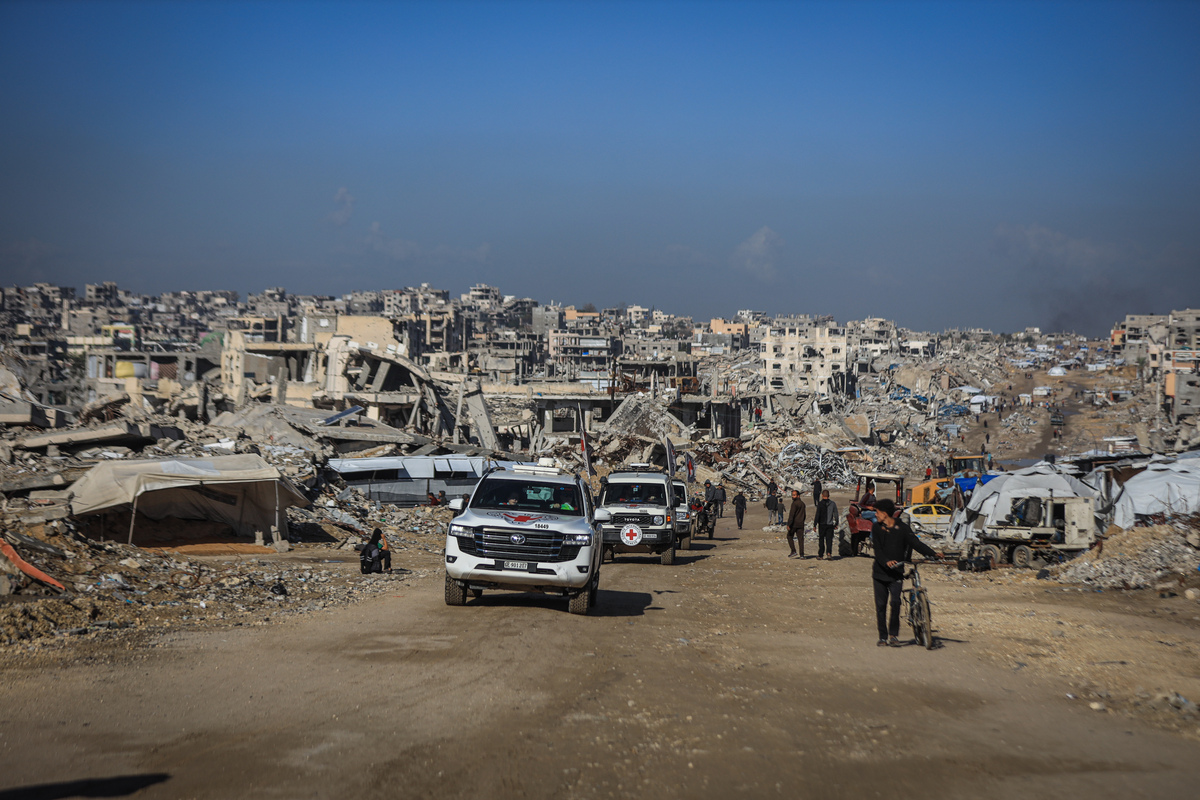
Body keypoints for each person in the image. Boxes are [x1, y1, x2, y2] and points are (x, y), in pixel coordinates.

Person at [870, 499, 941, 646]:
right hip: (879, 573)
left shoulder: (902, 528)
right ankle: (883, 637)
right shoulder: (876, 528)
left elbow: (916, 543)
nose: (875, 515)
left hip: (896, 573)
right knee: (881, 606)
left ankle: (893, 635)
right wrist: (886, 562)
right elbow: (878, 550)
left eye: (877, 512)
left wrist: (933, 554)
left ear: (884, 513)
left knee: (895, 603)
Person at [816, 489, 838, 559]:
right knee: (829, 540)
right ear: (829, 495)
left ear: (822, 495)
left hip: (822, 524)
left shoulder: (820, 504)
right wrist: (836, 523)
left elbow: (817, 514)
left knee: (821, 539)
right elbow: (836, 514)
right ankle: (829, 553)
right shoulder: (832, 504)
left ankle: (820, 555)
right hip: (829, 524)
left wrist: (815, 524)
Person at [786, 488, 807, 558]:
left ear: (798, 496)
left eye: (794, 495)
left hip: (794, 524)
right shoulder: (802, 504)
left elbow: (792, 515)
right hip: (801, 524)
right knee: (800, 539)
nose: (793, 496)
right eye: (792, 495)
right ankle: (802, 555)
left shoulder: (794, 504)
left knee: (789, 536)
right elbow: (804, 515)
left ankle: (793, 551)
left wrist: (789, 524)